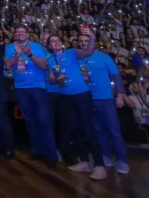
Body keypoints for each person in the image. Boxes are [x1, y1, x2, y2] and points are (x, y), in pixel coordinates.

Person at [48, 30, 106, 180]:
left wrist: (92, 37)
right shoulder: (50, 59)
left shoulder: (71, 53)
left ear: (62, 42)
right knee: (76, 129)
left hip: (81, 94)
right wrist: (57, 80)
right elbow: (51, 80)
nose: (55, 42)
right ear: (48, 45)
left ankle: (100, 165)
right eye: (52, 41)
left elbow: (89, 50)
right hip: (66, 96)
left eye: (57, 40)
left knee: (88, 128)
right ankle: (85, 161)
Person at [4, 25, 57, 170]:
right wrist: (18, 54)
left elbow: (45, 65)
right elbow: (8, 66)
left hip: (38, 87)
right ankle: (38, 150)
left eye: (23, 32)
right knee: (30, 121)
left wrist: (30, 54)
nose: (20, 33)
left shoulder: (37, 47)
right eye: (17, 31)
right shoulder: (9, 47)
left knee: (43, 120)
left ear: (28, 34)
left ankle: (52, 156)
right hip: (21, 89)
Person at [89, 41, 129, 174]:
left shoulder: (104, 57)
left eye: (87, 41)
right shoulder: (79, 58)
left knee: (114, 131)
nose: (84, 43)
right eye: (81, 41)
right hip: (89, 99)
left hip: (106, 99)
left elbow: (116, 76)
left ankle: (122, 160)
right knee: (99, 131)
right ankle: (106, 156)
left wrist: (120, 95)